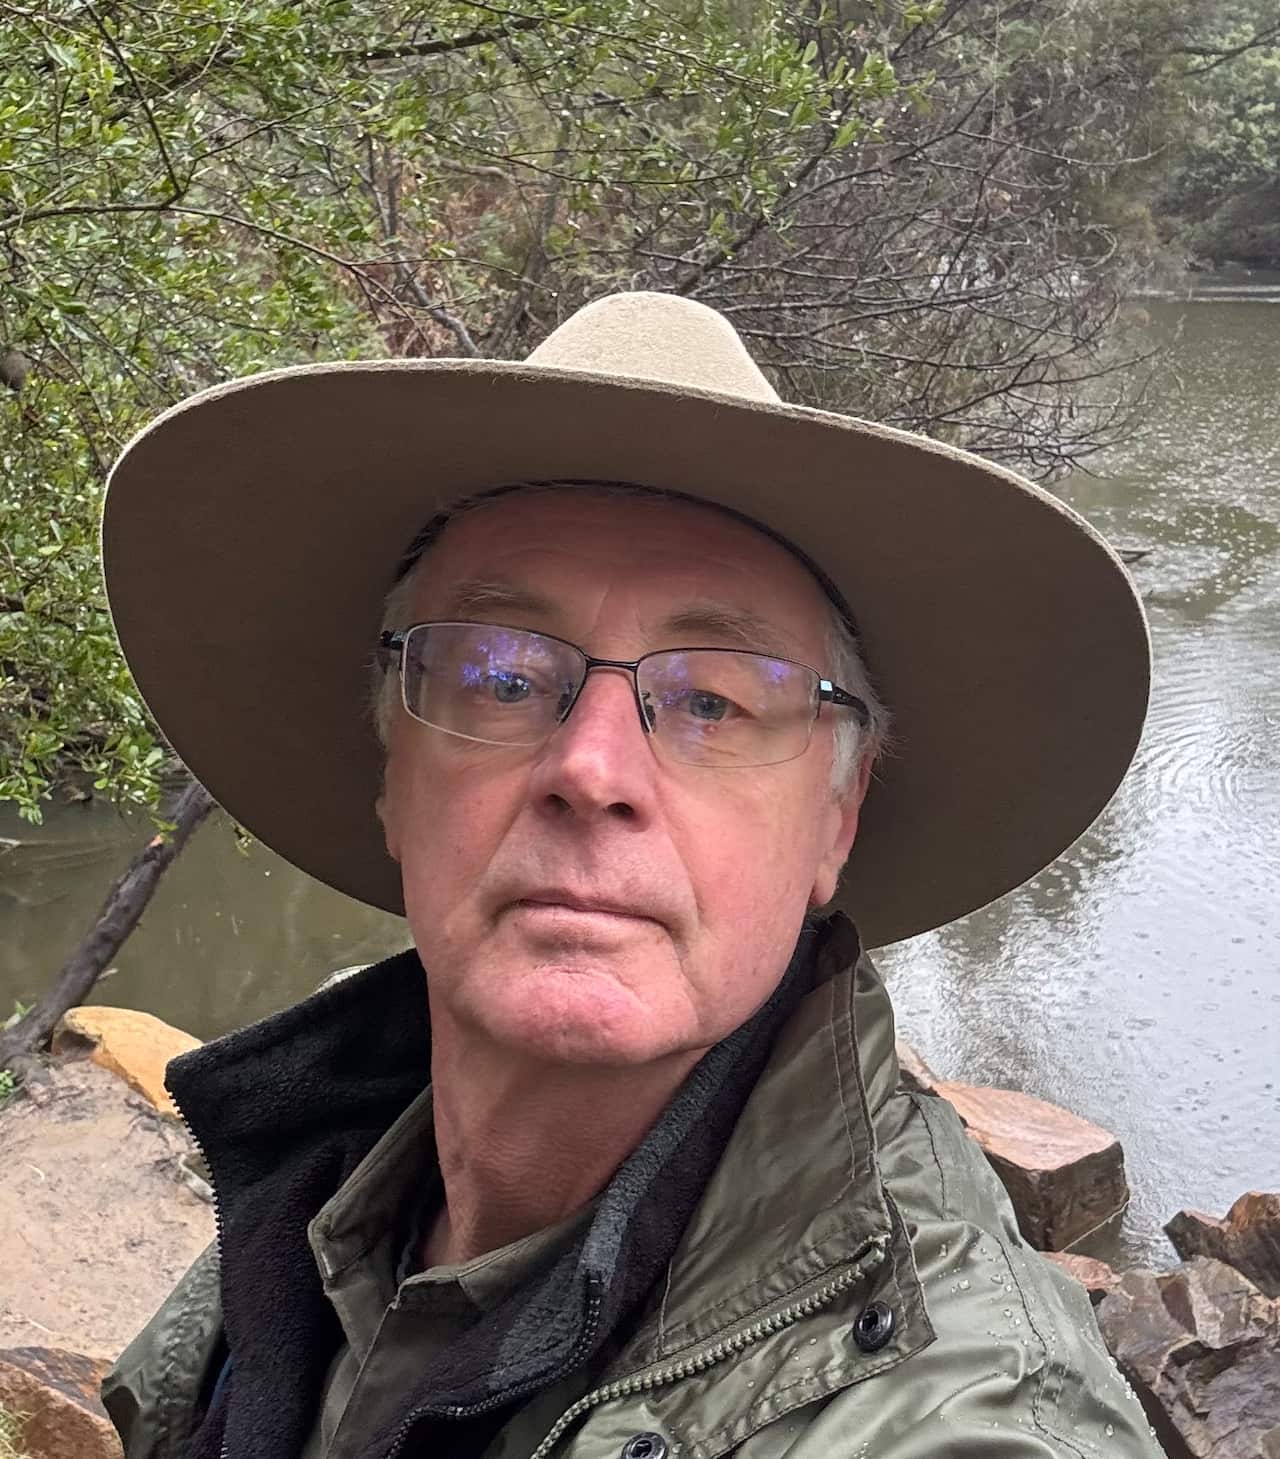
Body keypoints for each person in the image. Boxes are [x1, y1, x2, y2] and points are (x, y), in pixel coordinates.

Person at [98, 292, 1161, 1458]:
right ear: (392, 773)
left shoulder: (971, 1410)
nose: (590, 767)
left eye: (714, 699)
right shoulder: (317, 1192)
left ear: (834, 821)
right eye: (500, 674)